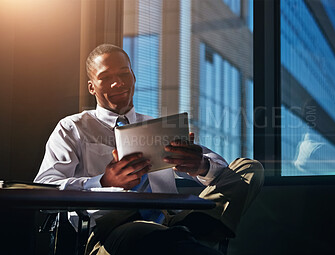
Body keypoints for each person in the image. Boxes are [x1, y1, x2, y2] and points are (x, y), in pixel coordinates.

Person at [35, 44, 264, 255]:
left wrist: (201, 166)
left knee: (249, 168)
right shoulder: (72, 127)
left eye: (124, 74)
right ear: (91, 87)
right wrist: (103, 183)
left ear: (133, 77)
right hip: (110, 231)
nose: (118, 83)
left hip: (170, 220)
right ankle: (185, 239)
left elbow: (222, 170)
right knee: (144, 234)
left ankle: (181, 235)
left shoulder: (159, 126)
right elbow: (45, 188)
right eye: (105, 77)